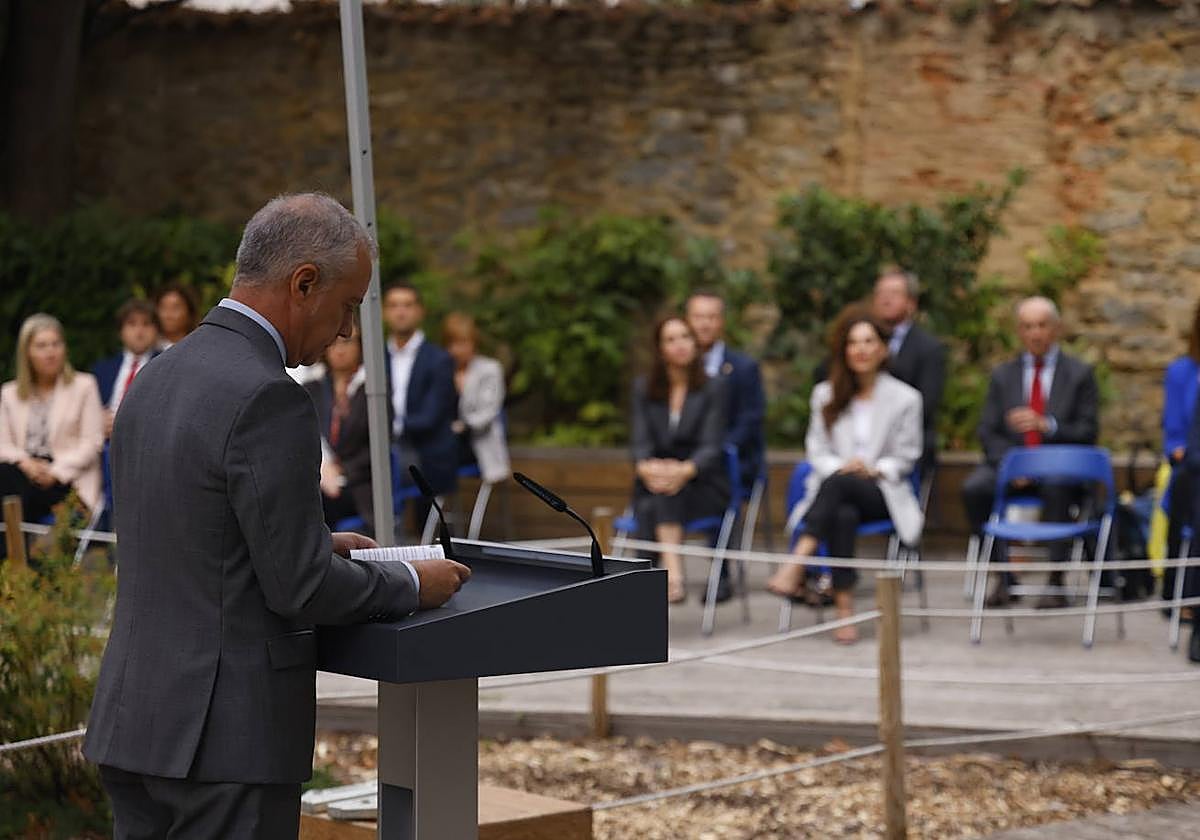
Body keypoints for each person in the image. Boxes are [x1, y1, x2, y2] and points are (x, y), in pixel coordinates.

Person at [84, 193, 471, 838]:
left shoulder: (153, 377)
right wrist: (410, 583)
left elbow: (199, 538)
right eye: (348, 305)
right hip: (226, 744)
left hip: (135, 721)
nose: (347, 331)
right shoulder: (270, 395)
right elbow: (300, 586)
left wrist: (317, 543)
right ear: (304, 283)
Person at [766, 306, 923, 644]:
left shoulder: (907, 399)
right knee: (842, 512)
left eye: (869, 341)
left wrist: (874, 468)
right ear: (844, 350)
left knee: (843, 488)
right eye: (854, 343)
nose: (862, 349)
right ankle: (844, 611)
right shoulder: (825, 394)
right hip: (835, 490)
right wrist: (842, 466)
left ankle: (797, 562)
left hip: (882, 492)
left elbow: (908, 456)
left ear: (883, 349)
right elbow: (817, 451)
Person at [960, 296, 1100, 608]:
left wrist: (1046, 424)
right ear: (1019, 332)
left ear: (1056, 328)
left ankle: (1055, 581)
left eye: (1042, 325)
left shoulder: (1079, 374)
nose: (1035, 333)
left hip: (1058, 468)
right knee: (975, 489)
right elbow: (988, 432)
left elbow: (1087, 433)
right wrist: (1014, 466)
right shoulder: (1002, 376)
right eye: (1027, 327)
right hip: (1011, 464)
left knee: (1058, 487)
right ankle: (1004, 576)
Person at [631, 315, 729, 604]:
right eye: (671, 339)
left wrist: (683, 471)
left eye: (685, 337)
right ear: (660, 349)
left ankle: (664, 577)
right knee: (656, 496)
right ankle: (670, 574)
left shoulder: (714, 387)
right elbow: (639, 441)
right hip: (656, 480)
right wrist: (646, 468)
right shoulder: (643, 388)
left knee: (658, 500)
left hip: (703, 482)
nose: (680, 345)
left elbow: (712, 445)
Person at [685, 291, 766, 603]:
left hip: (731, 463)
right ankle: (649, 571)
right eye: (698, 317)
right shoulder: (677, 367)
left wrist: (715, 450)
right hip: (687, 463)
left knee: (716, 481)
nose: (704, 324)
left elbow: (750, 419)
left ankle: (721, 574)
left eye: (711, 317)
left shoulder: (743, 368)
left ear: (722, 322)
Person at [0, 314, 105, 527]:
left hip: (66, 481)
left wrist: (55, 472)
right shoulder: (9, 393)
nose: (50, 352)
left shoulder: (84, 386)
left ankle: (12, 556)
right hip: (22, 474)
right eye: (41, 346)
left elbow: (92, 442)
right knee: (9, 477)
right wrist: (25, 463)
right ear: (27, 353)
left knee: (10, 486)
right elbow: (3, 444)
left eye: (56, 344)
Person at [383, 280, 458, 536]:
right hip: (383, 446)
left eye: (407, 305)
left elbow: (431, 417)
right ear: (383, 312)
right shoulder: (374, 356)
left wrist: (389, 428)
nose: (400, 312)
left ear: (420, 311)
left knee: (391, 468)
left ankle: (393, 540)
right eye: (393, 305)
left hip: (425, 449)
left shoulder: (439, 359)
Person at [870, 267, 946, 472]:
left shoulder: (929, 348)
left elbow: (927, 404)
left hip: (909, 441)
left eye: (894, 294)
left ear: (911, 303)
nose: (886, 300)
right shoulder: (860, 343)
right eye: (881, 294)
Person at [305, 329, 372, 533]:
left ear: (360, 346)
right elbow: (306, 437)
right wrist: (323, 469)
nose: (340, 350)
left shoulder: (373, 389)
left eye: (347, 343)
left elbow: (378, 448)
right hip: (319, 476)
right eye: (334, 343)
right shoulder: (311, 387)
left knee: (315, 501)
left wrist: (341, 471)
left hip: (358, 481)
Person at [1162, 299, 1200, 607]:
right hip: (1192, 464)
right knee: (1187, 484)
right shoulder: (1182, 372)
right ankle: (1182, 594)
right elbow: (1174, 435)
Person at [443, 312, 510, 485]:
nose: (458, 350)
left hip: (476, 441)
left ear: (474, 343)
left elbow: (489, 411)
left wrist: (462, 426)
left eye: (463, 343)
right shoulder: (442, 369)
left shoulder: (489, 369)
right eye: (453, 344)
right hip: (445, 438)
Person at [92, 298, 160, 439]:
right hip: (105, 444)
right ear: (120, 331)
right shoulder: (102, 369)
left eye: (146, 324)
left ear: (156, 330)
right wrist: (97, 421)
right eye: (132, 324)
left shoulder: (165, 367)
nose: (139, 332)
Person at [154, 282, 199, 350]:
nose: (168, 314)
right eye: (163, 307)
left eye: (175, 308)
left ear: (189, 312)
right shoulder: (148, 348)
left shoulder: (198, 346)